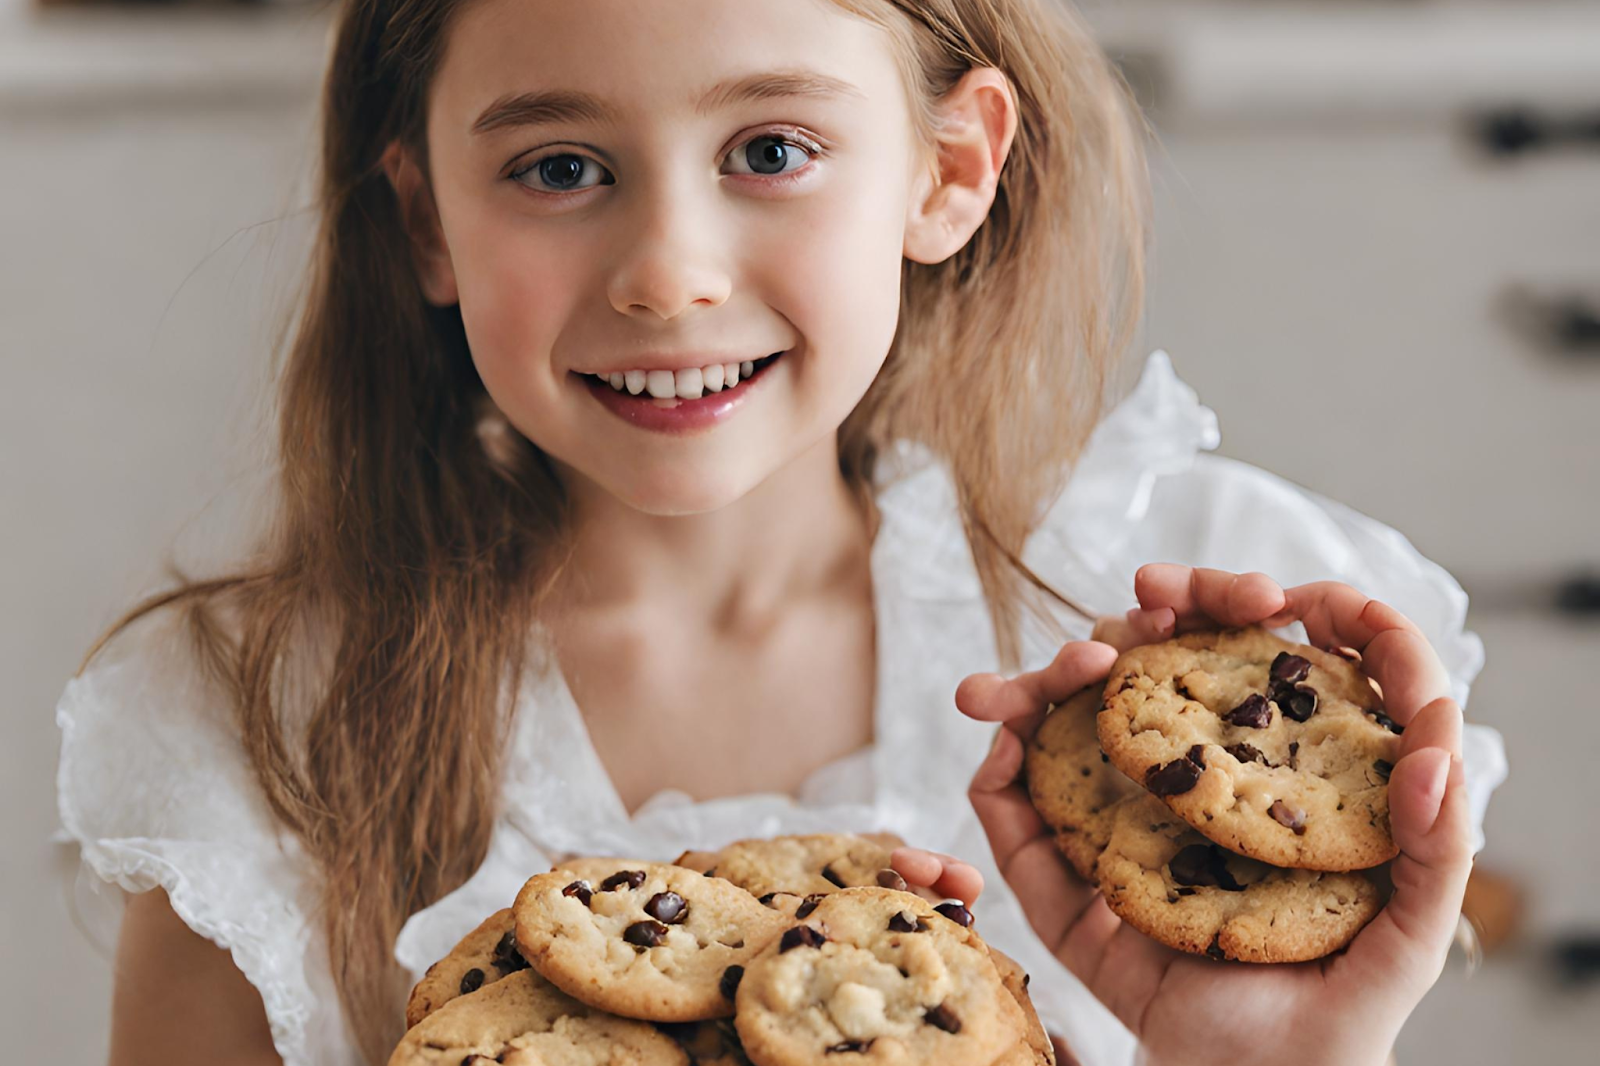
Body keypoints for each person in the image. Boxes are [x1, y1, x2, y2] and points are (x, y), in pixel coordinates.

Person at [54, 1, 1506, 1064]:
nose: (668, 275)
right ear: (426, 218)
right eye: (559, 167)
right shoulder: (258, 733)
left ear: (948, 170)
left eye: (769, 148)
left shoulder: (1146, 630)